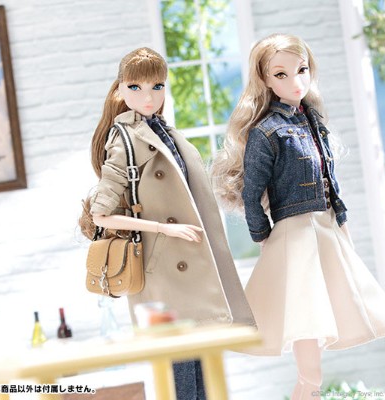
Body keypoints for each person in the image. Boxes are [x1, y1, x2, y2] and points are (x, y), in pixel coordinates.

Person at [211, 34, 385, 399]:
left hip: (324, 226)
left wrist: (341, 219)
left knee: (323, 315)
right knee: (305, 321)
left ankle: (307, 389)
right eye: (281, 74)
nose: (295, 81)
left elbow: (329, 177)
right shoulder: (266, 132)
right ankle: (308, 388)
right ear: (265, 80)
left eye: (301, 70)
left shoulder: (312, 120)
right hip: (295, 233)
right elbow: (252, 193)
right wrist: (263, 236)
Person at [79, 47, 255, 400]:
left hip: (188, 263)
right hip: (164, 271)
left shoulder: (163, 131)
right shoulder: (124, 139)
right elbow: (100, 215)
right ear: (120, 90)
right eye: (136, 87)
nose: (148, 97)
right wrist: (164, 228)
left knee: (203, 369)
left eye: (157, 86)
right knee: (182, 372)